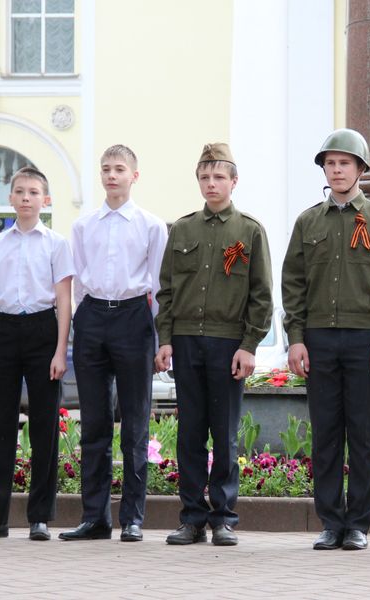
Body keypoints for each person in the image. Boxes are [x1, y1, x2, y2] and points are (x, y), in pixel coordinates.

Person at [282, 128, 370, 551]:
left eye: (345, 163)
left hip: (366, 340)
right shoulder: (308, 222)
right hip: (319, 340)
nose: (337, 170)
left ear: (360, 169)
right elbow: (294, 285)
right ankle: (330, 521)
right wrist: (296, 338)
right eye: (330, 164)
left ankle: (358, 523)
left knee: (364, 435)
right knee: (325, 435)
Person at [155, 143, 273, 546]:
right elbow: (166, 290)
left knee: (225, 435)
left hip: (228, 346)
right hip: (187, 343)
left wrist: (250, 345)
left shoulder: (249, 231)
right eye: (204, 177)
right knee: (189, 433)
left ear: (234, 181)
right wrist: (166, 339)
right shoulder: (182, 230)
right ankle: (191, 518)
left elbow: (261, 295)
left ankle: (223, 518)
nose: (211, 184)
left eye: (219, 177)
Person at [60, 145, 168, 542]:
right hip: (92, 318)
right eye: (105, 169)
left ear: (134, 176)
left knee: (135, 424)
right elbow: (78, 280)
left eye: (119, 169)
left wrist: (157, 338)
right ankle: (95, 517)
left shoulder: (151, 226)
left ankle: (134, 518)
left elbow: (157, 285)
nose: (111, 175)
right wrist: (81, 321)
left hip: (133, 319)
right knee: (94, 424)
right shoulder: (83, 225)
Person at [0, 167, 74, 541]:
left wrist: (61, 350)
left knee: (44, 425)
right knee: (0, 427)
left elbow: (63, 299)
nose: (26, 197)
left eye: (33, 192)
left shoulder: (56, 244)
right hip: (5, 334)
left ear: (46, 200)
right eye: (19, 191)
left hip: (43, 331)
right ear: (10, 198)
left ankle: (40, 517)